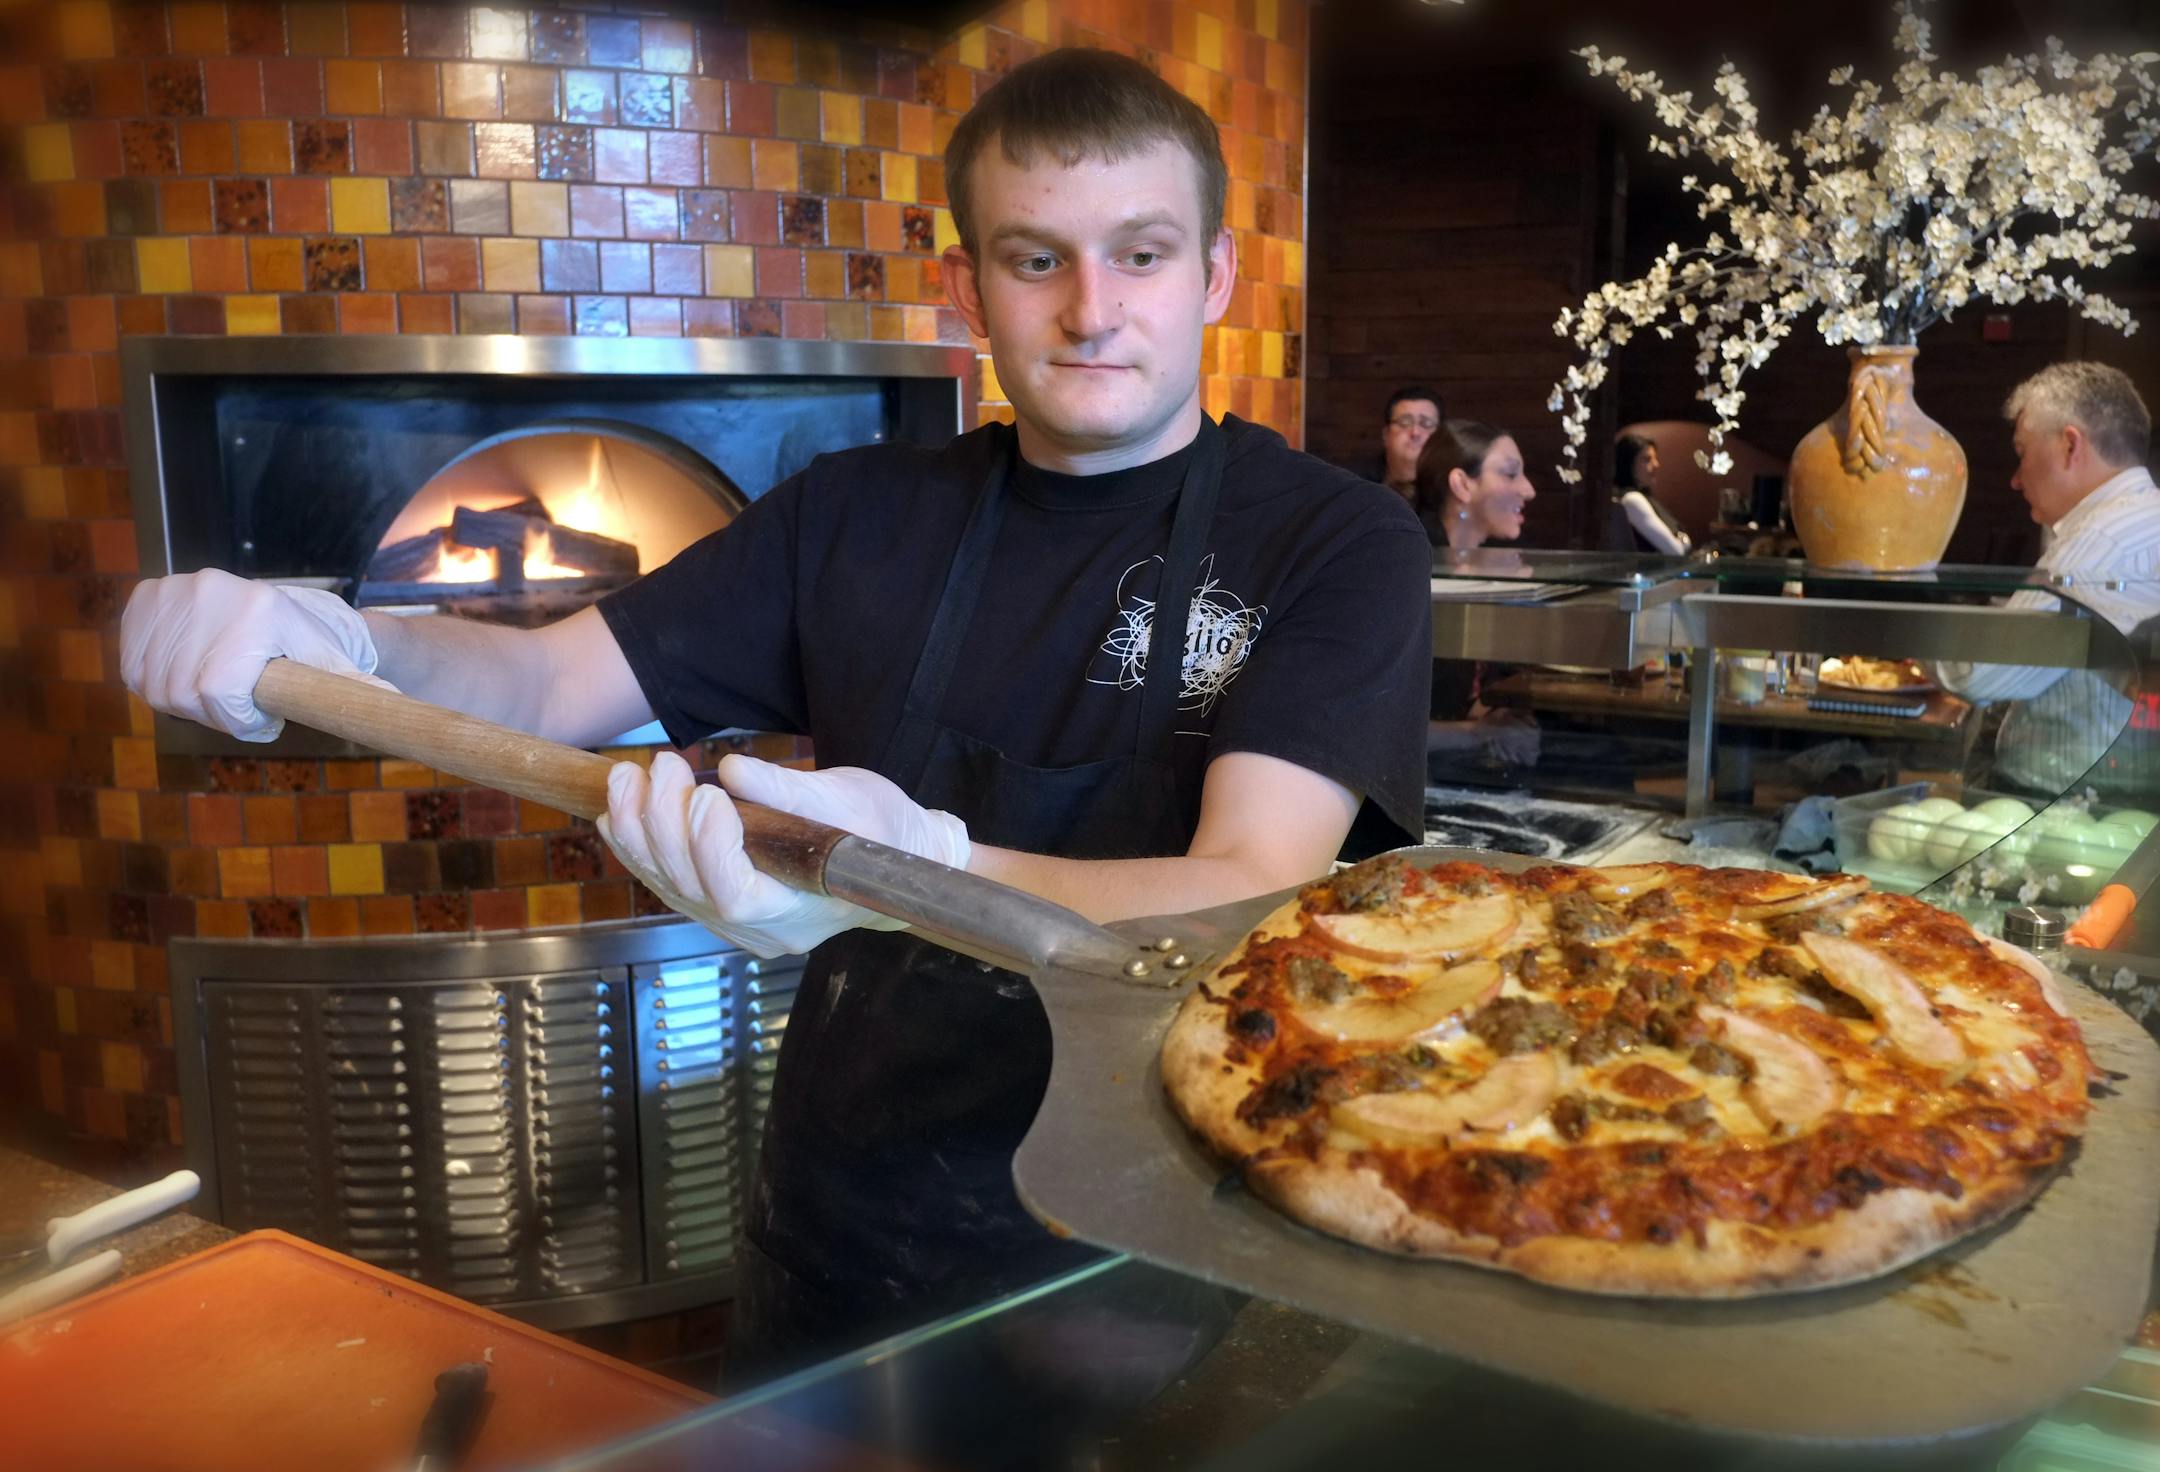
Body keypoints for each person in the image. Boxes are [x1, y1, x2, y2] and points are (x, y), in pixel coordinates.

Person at [119, 49, 1434, 1372]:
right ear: (966, 288)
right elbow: (549, 681)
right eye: (1037, 260)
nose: (1092, 310)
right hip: (843, 1220)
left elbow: (1246, 891)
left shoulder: (1334, 542)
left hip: (1160, 1249)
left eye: (1140, 255)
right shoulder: (853, 516)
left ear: (1214, 274)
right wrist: (346, 637)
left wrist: (913, 874)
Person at [1932, 362, 2160, 794]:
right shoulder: (2142, 516)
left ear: (2071, 446)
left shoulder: (2103, 537)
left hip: (2063, 796)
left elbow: (1979, 674)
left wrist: (1907, 636)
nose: (2015, 480)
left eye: (2022, 452)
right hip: (2112, 789)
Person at [1417, 419, 1540, 769]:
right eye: (1510, 474)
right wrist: (1478, 733)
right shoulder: (1411, 561)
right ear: (1462, 484)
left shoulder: (1480, 563)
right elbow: (1374, 725)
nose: (1528, 490)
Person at [1349, 385, 1444, 504]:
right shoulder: (1356, 483)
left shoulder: (1451, 488)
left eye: (1426, 424)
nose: (1415, 432)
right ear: (1386, 434)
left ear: (1441, 436)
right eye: (1405, 422)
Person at [1607, 432, 1692, 555]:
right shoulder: (1633, 500)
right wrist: (1684, 539)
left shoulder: (1641, 497)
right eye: (1647, 459)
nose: (1656, 464)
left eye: (1654, 458)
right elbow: (1676, 552)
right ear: (1628, 463)